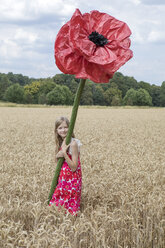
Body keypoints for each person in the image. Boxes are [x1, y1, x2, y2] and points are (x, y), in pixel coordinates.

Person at [49, 116, 82, 216]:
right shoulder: (61, 142)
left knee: (70, 209)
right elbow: (58, 162)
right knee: (56, 207)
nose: (63, 130)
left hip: (72, 180)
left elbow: (74, 167)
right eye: (60, 128)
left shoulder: (73, 144)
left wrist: (64, 154)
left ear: (70, 128)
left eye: (65, 127)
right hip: (63, 179)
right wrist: (58, 155)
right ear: (56, 130)